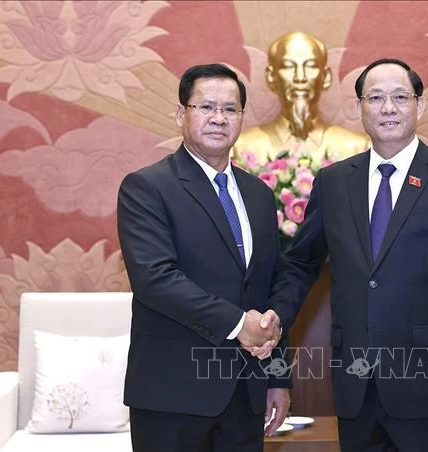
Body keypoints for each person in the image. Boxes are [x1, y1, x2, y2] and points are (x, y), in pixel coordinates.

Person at [264, 59, 428, 451]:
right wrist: (275, 317)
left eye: (400, 97)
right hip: (356, 387)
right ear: (359, 109)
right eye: (374, 97)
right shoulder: (334, 181)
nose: (387, 108)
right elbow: (302, 263)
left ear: (419, 106)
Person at [117, 63, 290, 452]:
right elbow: (156, 280)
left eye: (230, 109)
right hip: (173, 396)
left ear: (242, 118)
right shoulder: (147, 187)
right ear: (182, 114)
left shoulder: (258, 195)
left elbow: (269, 287)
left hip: (245, 396)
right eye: (206, 106)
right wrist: (236, 324)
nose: (218, 118)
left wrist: (277, 377)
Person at [232, 31, 370, 164]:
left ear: (326, 77)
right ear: (271, 77)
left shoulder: (357, 148)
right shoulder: (242, 148)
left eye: (310, 66)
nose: (300, 77)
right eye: (288, 66)